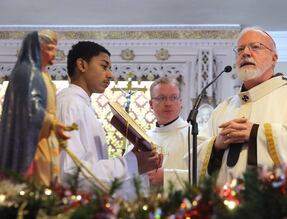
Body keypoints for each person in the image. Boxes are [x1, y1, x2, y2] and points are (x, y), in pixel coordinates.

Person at [198, 26, 287, 186]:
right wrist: (217, 145)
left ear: (274, 58)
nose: (245, 53)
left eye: (255, 47)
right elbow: (193, 158)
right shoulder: (223, 109)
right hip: (224, 205)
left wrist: (256, 133)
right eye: (240, 49)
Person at [56, 41, 161, 199]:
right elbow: (70, 174)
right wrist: (133, 163)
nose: (110, 74)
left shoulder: (82, 105)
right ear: (82, 65)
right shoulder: (70, 104)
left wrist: (137, 161)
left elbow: (90, 171)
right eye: (104, 66)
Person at [0, 30, 69, 186]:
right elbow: (30, 110)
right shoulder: (28, 73)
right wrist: (52, 123)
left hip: (45, 137)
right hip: (33, 142)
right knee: (37, 183)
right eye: (50, 49)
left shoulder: (42, 74)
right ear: (38, 49)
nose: (54, 54)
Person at [145, 77, 189, 191]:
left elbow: (205, 176)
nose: (168, 103)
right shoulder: (143, 139)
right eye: (161, 98)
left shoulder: (194, 136)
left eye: (173, 98)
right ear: (151, 104)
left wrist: (167, 177)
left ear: (180, 102)